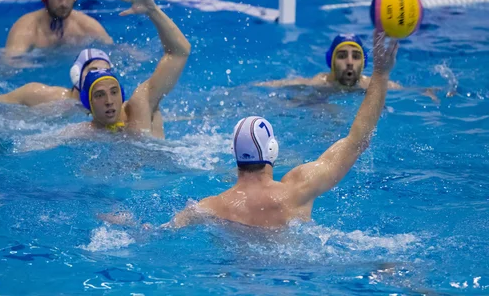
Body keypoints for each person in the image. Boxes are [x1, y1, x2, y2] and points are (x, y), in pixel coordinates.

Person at [170, 28, 396, 228]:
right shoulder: (297, 190)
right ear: (272, 149)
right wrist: (381, 74)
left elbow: (164, 230)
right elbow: (358, 140)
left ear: (234, 153)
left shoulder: (210, 207)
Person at [58, 0, 190, 138]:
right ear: (88, 102)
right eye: (100, 95)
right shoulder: (80, 133)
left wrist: (152, 11)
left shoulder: (139, 107)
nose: (109, 101)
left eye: (114, 92)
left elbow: (179, 53)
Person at [4, 0, 113, 57]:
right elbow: (9, 65)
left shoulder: (86, 25)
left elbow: (115, 52)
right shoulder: (27, 28)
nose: (64, 3)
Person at [257, 33, 401, 90]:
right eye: (342, 55)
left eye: (356, 56)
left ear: (364, 63)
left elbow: (405, 91)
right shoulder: (321, 82)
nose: (350, 62)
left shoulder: (369, 85)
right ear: (330, 61)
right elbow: (282, 84)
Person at [0, 48, 112, 107]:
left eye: (105, 72)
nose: (99, 76)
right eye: (93, 70)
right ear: (76, 73)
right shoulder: (38, 94)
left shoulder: (110, 108)